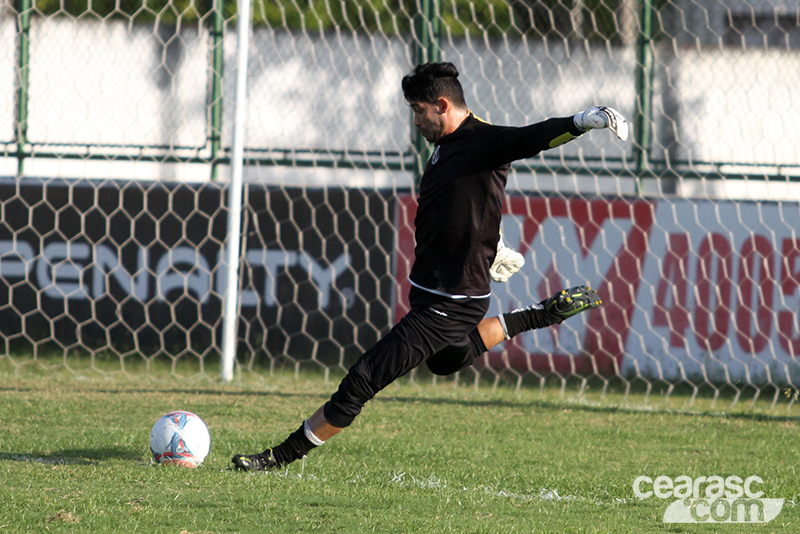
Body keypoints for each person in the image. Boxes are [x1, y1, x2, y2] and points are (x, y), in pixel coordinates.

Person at [232, 62, 628, 471]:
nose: (415, 120)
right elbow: (460, 204)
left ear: (442, 105)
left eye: (418, 110)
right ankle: (540, 314)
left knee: (364, 377)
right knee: (445, 359)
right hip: (436, 292)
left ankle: (278, 457)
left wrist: (583, 121)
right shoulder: (448, 143)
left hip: (450, 301)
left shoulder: (482, 140)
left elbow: (534, 137)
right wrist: (488, 242)